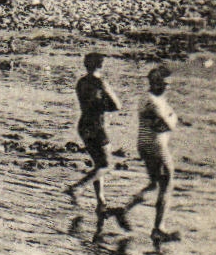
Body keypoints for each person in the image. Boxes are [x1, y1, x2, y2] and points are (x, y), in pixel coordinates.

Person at [63, 52, 124, 221]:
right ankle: (78, 187)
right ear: (101, 65)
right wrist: (104, 105)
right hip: (98, 125)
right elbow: (117, 105)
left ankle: (101, 201)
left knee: (98, 164)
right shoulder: (100, 82)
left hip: (84, 125)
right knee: (106, 165)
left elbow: (87, 102)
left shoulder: (81, 82)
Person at [122, 66, 180, 243]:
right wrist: (172, 117)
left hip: (146, 144)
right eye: (165, 83)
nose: (167, 86)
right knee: (166, 184)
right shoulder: (153, 102)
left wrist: (170, 117)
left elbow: (165, 122)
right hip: (156, 146)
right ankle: (158, 229)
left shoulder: (147, 98)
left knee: (155, 184)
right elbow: (168, 124)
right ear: (157, 82)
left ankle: (124, 210)